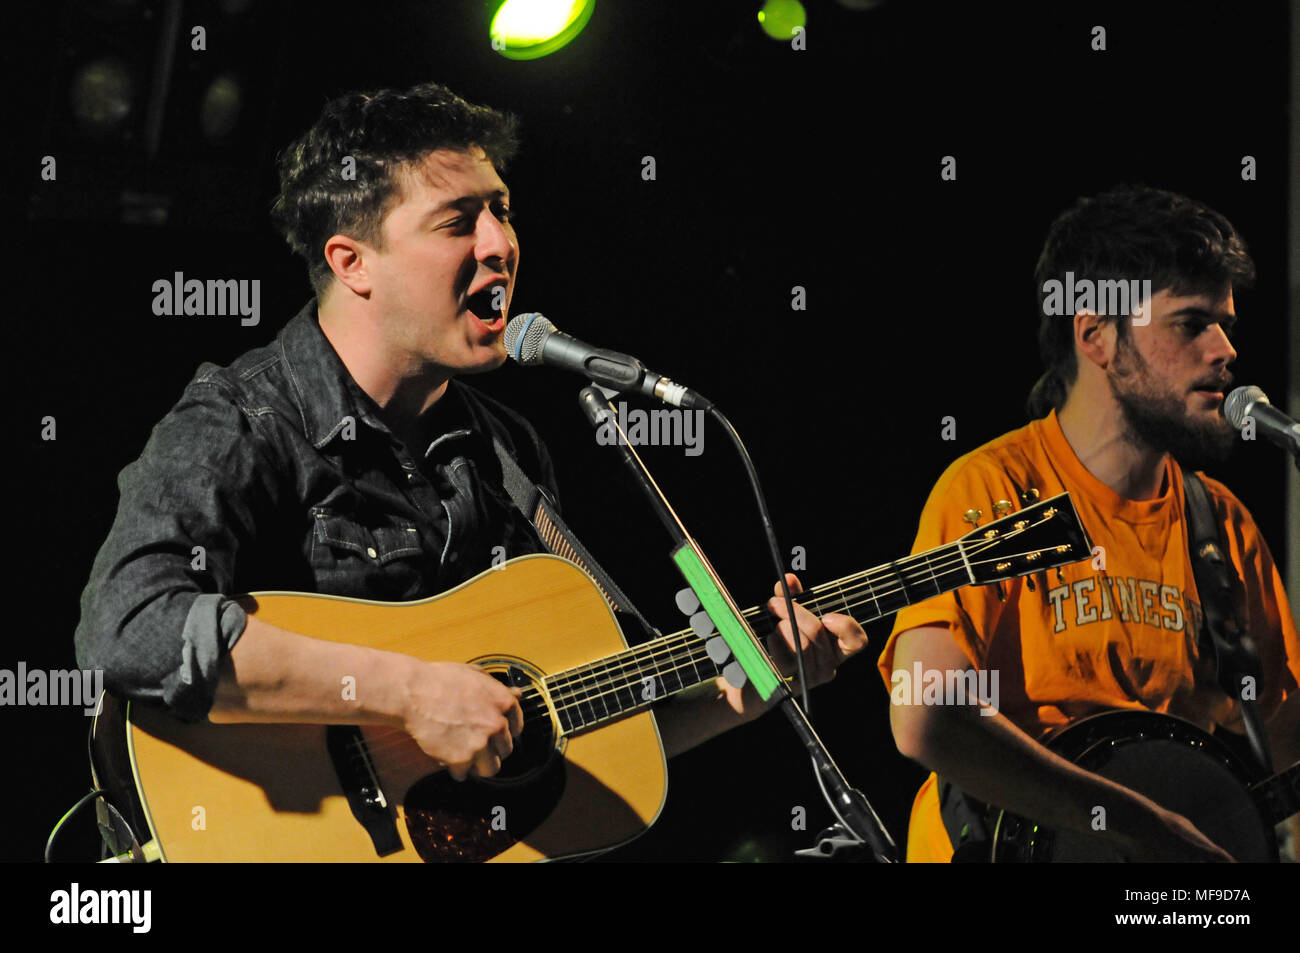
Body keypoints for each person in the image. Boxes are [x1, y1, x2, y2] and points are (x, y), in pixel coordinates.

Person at [74, 81, 865, 803]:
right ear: (353, 263)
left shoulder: (504, 451)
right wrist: (411, 693)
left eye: (503, 210)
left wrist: (736, 696)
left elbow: (577, 724)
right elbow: (127, 626)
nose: (500, 244)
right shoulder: (244, 417)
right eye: (459, 221)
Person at [880, 185, 1300, 862]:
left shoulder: (1220, 524)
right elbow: (927, 716)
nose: (1225, 349)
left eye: (1226, 324)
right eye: (1191, 323)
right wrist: (1137, 823)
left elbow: (1283, 733)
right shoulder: (992, 490)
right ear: (1096, 335)